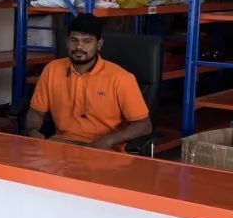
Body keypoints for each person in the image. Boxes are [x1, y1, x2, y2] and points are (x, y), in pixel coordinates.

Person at [25, 13, 152, 149]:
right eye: (74, 40)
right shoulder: (52, 69)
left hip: (103, 149)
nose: (79, 47)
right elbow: (36, 112)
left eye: (87, 41)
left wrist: (108, 141)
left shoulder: (121, 78)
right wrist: (33, 131)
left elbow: (144, 125)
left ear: (99, 44)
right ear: (67, 42)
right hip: (61, 145)